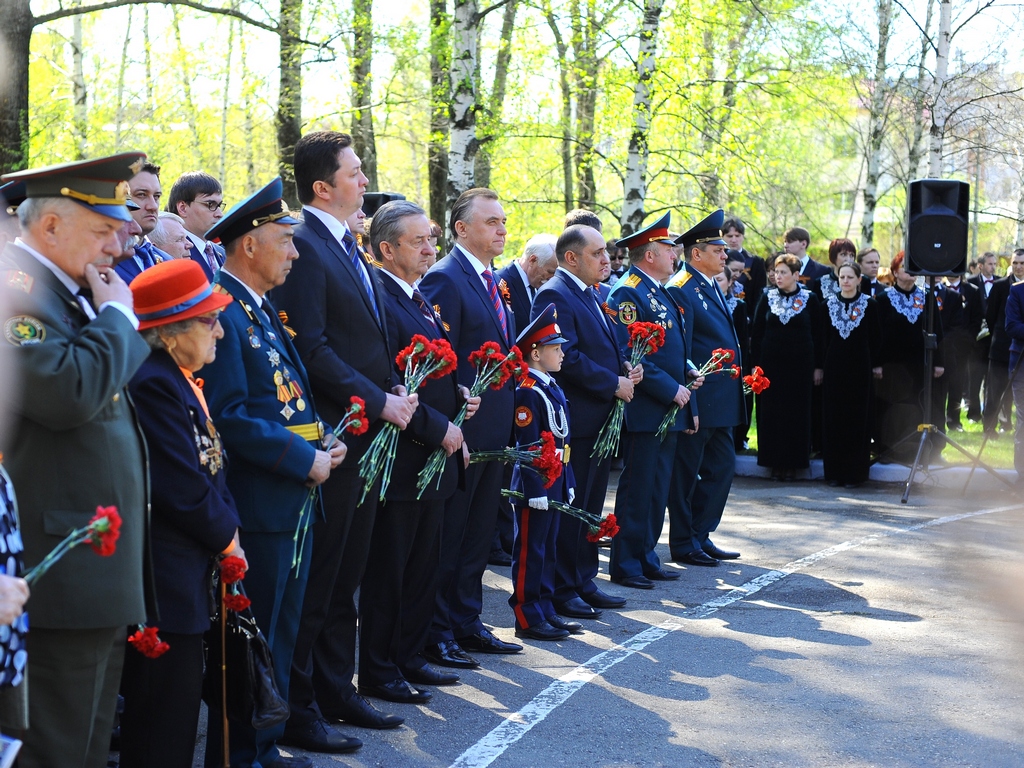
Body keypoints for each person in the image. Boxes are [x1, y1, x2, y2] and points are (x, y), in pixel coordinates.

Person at [0, 152, 155, 768]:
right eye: (103, 229)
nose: (118, 245)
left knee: (86, 747)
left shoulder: (68, 291)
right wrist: (119, 316)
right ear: (52, 227)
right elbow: (67, 393)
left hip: (92, 566)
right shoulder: (19, 294)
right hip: (59, 570)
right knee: (56, 749)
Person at [272, 131, 416, 746]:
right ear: (322, 186)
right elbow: (313, 346)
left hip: (364, 440)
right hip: (335, 435)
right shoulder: (305, 243)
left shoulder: (346, 245)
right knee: (321, 578)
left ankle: (336, 690)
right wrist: (380, 399)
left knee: (345, 578)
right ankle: (299, 708)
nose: (365, 180)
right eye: (354, 173)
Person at [200, 177, 348, 768]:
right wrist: (303, 458)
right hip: (261, 504)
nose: (295, 252)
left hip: (293, 497)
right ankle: (236, 756)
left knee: (279, 634)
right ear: (250, 246)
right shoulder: (224, 312)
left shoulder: (259, 309)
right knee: (248, 642)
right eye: (285, 241)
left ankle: (263, 745)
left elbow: (283, 402)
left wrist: (323, 442)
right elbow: (230, 417)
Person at [119, 259, 243, 768]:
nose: (218, 329)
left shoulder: (175, 377)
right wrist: (228, 539)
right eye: (207, 319)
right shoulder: (153, 383)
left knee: (178, 710)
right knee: (161, 721)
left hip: (186, 572)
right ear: (172, 332)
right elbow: (178, 487)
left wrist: (228, 529)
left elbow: (211, 467)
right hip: (163, 581)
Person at [359, 200, 480, 703]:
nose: (431, 248)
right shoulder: (382, 299)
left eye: (431, 238)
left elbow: (431, 373)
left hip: (434, 457)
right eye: (418, 241)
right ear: (386, 249)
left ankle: (409, 657)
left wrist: (457, 399)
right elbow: (387, 379)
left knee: (422, 566)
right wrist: (440, 429)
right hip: (407, 456)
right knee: (391, 571)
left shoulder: (418, 296)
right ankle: (380, 669)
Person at [419, 188, 523, 666]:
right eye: (491, 222)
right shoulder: (446, 278)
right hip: (463, 431)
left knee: (479, 535)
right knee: (451, 536)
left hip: (493, 431)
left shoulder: (490, 279)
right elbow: (442, 362)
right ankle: (437, 631)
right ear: (461, 229)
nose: (501, 229)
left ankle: (466, 621)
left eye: (503, 221)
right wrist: (454, 422)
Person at [533, 224, 636, 619]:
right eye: (597, 253)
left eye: (606, 252)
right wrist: (613, 382)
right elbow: (566, 356)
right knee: (571, 507)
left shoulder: (590, 293)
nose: (607, 259)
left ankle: (583, 579)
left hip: (598, 416)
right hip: (575, 420)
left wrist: (623, 366)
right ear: (571, 258)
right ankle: (562, 587)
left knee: (590, 505)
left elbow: (599, 345)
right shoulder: (555, 293)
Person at [606, 212, 699, 589]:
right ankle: (626, 563)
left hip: (668, 406)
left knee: (658, 487)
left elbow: (671, 348)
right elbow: (632, 353)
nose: (675, 254)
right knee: (638, 487)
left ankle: (646, 555)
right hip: (647, 406)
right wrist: (670, 388)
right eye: (667, 248)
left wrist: (689, 370)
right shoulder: (628, 291)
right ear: (648, 254)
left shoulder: (658, 290)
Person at [665, 209, 744, 566]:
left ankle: (700, 533)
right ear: (697, 253)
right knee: (686, 474)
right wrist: (691, 405)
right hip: (699, 401)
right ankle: (684, 541)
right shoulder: (681, 288)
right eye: (718, 249)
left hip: (721, 401)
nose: (725, 254)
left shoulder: (707, 285)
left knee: (722, 468)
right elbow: (681, 349)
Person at [507, 304, 578, 641]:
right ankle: (527, 614)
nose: (562, 354)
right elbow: (528, 445)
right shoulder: (527, 390)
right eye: (555, 348)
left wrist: (569, 481)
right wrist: (535, 488)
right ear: (535, 353)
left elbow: (563, 440)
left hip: (556, 479)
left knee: (548, 547)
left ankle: (546, 608)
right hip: (535, 486)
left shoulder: (550, 386)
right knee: (530, 550)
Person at [751, 254, 823, 480]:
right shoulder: (767, 297)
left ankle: (794, 464)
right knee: (772, 414)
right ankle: (774, 463)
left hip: (800, 367)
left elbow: (818, 335)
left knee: (797, 414)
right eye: (776, 272)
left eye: (783, 272)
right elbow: (757, 332)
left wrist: (818, 367)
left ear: (795, 275)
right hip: (771, 367)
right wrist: (755, 366)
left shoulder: (810, 299)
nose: (777, 276)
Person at [873, 252, 944, 464]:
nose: (910, 271)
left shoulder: (927, 296)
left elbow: (937, 330)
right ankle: (887, 450)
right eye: (905, 266)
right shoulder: (883, 300)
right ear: (895, 272)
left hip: (919, 365)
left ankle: (921, 451)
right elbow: (877, 335)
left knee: (918, 405)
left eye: (914, 267)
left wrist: (939, 362)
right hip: (892, 367)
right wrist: (876, 363)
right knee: (891, 408)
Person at [820, 263, 882, 487]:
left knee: (858, 418)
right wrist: (820, 367)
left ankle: (854, 474)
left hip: (860, 368)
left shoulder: (871, 305)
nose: (845, 281)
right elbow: (822, 338)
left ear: (858, 279)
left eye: (849, 277)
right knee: (835, 418)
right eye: (842, 277)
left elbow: (876, 338)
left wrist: (876, 365)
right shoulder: (827, 304)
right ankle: (835, 473)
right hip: (834, 366)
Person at [983, 249, 1024, 436]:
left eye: (1022, 263)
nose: (1018, 267)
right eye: (1015, 263)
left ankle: (1008, 425)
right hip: (1001, 348)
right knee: (994, 392)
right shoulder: (1000, 286)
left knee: (1013, 393)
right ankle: (988, 428)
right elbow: (990, 316)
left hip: (1020, 350)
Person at [116, 161, 171, 283]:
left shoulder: (168, 263)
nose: (153, 206)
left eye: (156, 196)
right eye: (141, 195)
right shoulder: (106, 261)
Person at [167, 171, 226, 281]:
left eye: (219, 205)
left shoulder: (221, 253)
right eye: (210, 204)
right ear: (183, 208)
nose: (219, 214)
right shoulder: (172, 252)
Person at [496, 234, 558, 326]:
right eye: (550, 272)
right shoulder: (499, 282)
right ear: (532, 260)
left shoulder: (544, 286)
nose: (552, 278)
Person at [967, 252, 998, 422]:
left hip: (994, 338)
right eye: (989, 264)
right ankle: (973, 414)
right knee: (974, 378)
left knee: (992, 380)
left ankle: (990, 414)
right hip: (976, 340)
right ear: (980, 266)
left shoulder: (1000, 282)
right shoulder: (971, 283)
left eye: (994, 264)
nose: (993, 267)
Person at [722, 216, 767, 320]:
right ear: (722, 237)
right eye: (729, 236)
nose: (734, 240)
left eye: (737, 236)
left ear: (743, 237)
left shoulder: (756, 262)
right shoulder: (716, 259)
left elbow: (758, 296)